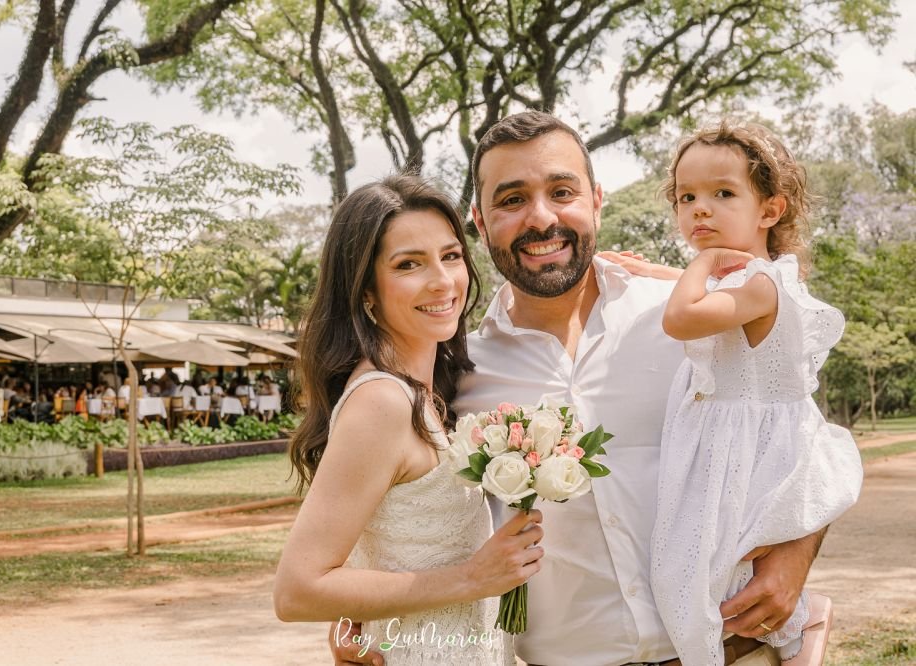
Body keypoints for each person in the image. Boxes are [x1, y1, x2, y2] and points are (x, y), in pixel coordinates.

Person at [334, 111, 827, 666]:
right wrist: (365, 618)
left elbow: (800, 434)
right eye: (511, 199)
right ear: (479, 221)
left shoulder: (693, 315)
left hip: (732, 651)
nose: (542, 218)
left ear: (596, 200)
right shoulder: (453, 370)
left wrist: (795, 553)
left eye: (562, 192)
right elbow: (402, 507)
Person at [274, 175, 545, 665]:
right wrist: (472, 578)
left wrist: (355, 614)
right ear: (366, 291)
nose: (442, 280)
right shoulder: (382, 402)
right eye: (408, 264)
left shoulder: (429, 390)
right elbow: (297, 590)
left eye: (451, 256)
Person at [642, 122, 862, 664]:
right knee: (696, 572)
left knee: (708, 572)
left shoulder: (760, 285)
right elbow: (715, 293)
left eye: (723, 193)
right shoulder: (752, 279)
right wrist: (658, 270)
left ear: (770, 210)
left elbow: (681, 317)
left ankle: (798, 629)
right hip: (727, 442)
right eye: (686, 197)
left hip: (744, 453)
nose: (700, 209)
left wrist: (700, 262)